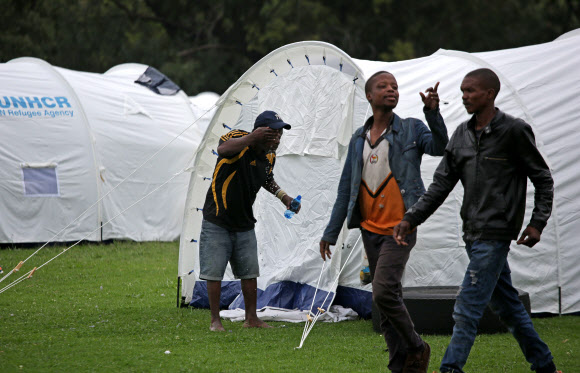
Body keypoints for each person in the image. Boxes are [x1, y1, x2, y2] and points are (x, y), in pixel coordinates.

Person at [393, 68, 559, 373]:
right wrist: (410, 218)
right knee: (509, 307)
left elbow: (543, 179)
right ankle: (546, 367)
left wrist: (537, 223)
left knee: (467, 308)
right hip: (471, 234)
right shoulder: (461, 135)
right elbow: (440, 186)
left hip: (496, 235)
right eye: (463, 92)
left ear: (490, 93)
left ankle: (450, 369)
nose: (465, 96)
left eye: (471, 91)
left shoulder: (514, 131)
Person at [320, 71, 449, 373]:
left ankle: (417, 347)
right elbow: (344, 191)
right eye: (383, 86)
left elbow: (441, 146)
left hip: (401, 227)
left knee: (382, 292)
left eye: (394, 87)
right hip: (370, 229)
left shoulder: (411, 129)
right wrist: (330, 232)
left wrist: (433, 113)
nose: (391, 90)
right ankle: (400, 365)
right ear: (369, 96)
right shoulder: (357, 140)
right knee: (387, 298)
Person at [199, 110, 300, 332]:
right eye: (273, 133)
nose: (278, 138)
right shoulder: (237, 139)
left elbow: (266, 178)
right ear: (259, 132)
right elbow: (223, 150)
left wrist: (284, 197)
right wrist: (251, 138)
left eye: (280, 134)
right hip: (218, 217)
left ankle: (251, 318)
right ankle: (215, 321)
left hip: (244, 220)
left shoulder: (269, 156)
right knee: (214, 271)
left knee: (249, 272)